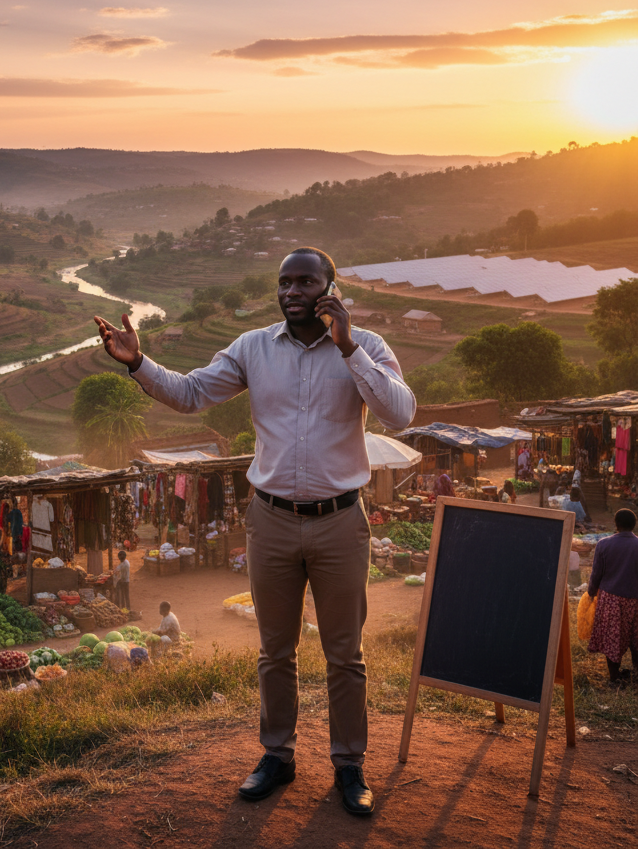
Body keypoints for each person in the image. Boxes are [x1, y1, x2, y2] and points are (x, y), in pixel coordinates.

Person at [95, 246, 416, 815]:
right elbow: (193, 393)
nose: (293, 291)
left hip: (340, 521)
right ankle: (278, 755)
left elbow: (399, 414)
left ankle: (349, 765)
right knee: (275, 651)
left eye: (306, 281)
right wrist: (137, 363)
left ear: (330, 289)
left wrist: (348, 349)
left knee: (345, 654)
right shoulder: (252, 348)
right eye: (284, 282)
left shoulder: (367, 346)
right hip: (269, 519)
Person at [587, 507, 638, 688]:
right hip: (635, 600)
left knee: (613, 638)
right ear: (634, 525)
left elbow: (596, 574)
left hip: (611, 599)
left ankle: (614, 677)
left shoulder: (604, 544)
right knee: (635, 638)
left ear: (616, 524)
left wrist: (591, 593)